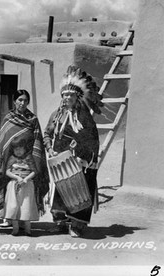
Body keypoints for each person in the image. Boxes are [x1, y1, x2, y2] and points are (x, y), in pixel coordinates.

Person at [43, 66, 103, 237]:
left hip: (79, 162)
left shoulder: (84, 117)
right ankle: (61, 222)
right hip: (60, 161)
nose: (67, 97)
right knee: (60, 192)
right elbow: (47, 133)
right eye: (65, 95)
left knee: (78, 192)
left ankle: (76, 225)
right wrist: (50, 149)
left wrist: (82, 156)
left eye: (71, 95)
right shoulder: (57, 114)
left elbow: (92, 140)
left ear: (78, 96)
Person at [0, 90, 49, 229]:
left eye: (25, 100)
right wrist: (3, 158)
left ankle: (24, 218)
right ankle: (8, 218)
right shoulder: (8, 118)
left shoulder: (33, 119)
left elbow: (37, 139)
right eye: (20, 100)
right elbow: (4, 139)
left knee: (26, 191)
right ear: (14, 101)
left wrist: (35, 159)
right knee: (9, 188)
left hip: (27, 160)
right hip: (10, 159)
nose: (22, 103)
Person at [4, 138, 39, 236]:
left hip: (27, 186)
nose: (18, 151)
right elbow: (7, 172)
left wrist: (26, 179)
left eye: (20, 148)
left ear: (25, 148)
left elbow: (34, 171)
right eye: (16, 149)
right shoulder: (11, 159)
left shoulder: (29, 158)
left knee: (26, 206)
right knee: (14, 206)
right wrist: (17, 178)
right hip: (14, 185)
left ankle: (28, 229)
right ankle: (15, 229)